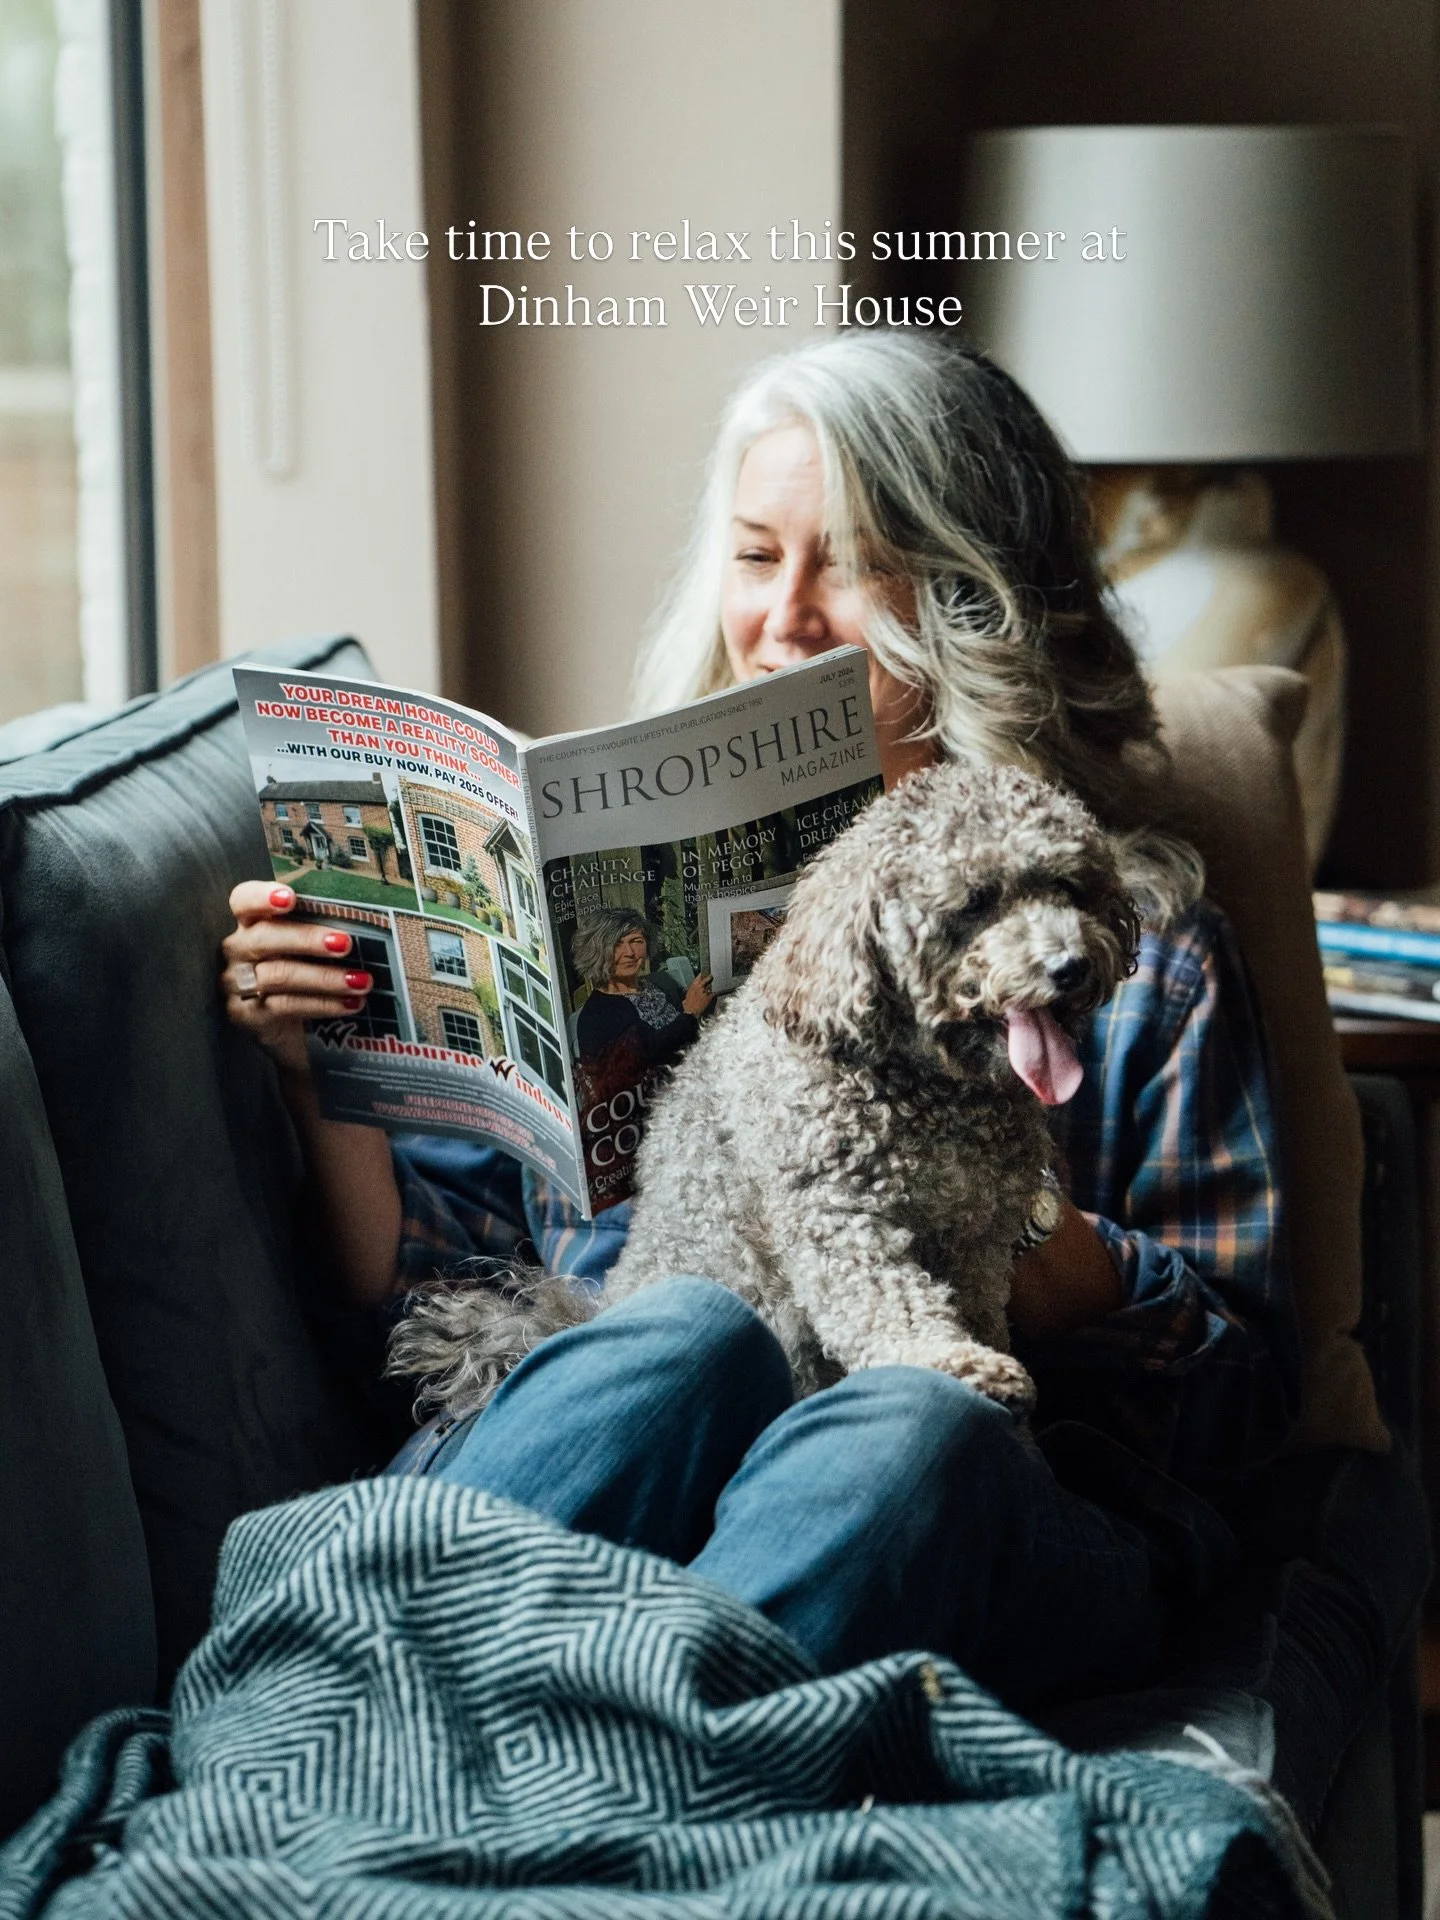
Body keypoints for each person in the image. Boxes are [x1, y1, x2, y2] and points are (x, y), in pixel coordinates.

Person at [220, 331, 1297, 1709]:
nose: (782, 615)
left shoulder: (1137, 956)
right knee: (687, 1334)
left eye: (847, 561)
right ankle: (384, 1705)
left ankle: (521, 1757)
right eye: (752, 554)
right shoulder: (624, 890)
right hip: (643, 1459)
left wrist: (1017, 1239)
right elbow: (432, 1296)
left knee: (913, 1413)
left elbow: (1251, 1417)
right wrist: (323, 1071)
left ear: (973, 595)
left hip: (959, 1499)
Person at [571, 908, 714, 1072]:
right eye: (617, 944)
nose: (629, 953)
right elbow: (650, 1055)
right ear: (596, 953)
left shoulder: (647, 987)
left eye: (636, 941)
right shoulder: (598, 1015)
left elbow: (664, 1029)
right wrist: (690, 1013)